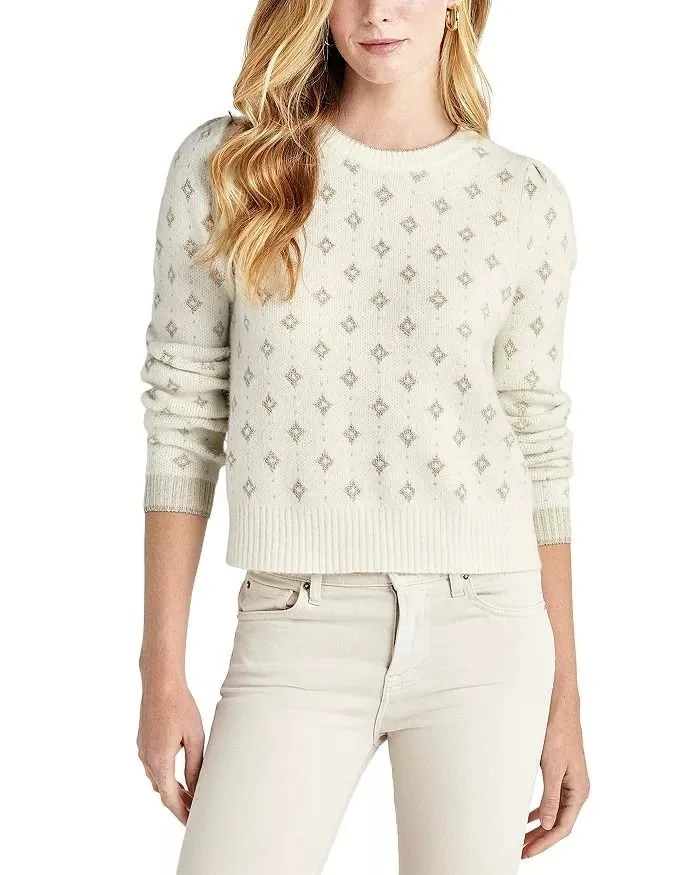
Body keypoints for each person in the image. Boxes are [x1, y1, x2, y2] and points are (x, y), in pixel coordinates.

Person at [136, 1, 590, 872]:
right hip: (295, 624)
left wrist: (565, 695)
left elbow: (539, 441)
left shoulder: (523, 198)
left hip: (487, 629)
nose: (378, 11)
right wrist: (161, 668)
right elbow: (183, 417)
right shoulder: (230, 169)